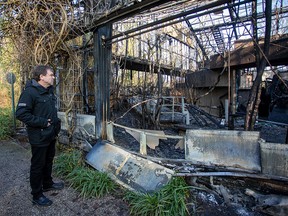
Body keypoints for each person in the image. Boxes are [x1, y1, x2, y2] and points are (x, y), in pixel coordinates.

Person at [16, 65, 63, 206]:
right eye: (51, 74)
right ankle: (36, 195)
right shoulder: (30, 93)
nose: (53, 77)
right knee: (38, 165)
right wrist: (42, 122)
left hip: (51, 134)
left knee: (48, 161)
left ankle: (47, 183)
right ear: (41, 77)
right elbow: (21, 113)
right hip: (39, 136)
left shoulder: (49, 91)